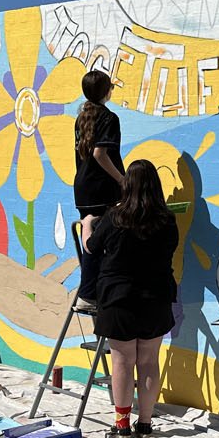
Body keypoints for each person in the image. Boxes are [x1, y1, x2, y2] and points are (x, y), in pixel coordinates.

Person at [82, 159, 179, 438]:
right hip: (156, 297)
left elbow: (91, 247)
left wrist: (87, 224)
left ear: (127, 185)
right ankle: (146, 422)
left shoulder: (115, 217)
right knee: (148, 361)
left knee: (122, 362)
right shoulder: (166, 220)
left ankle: (122, 423)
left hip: (118, 298)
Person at [74, 69, 126, 306]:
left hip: (84, 187)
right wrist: (121, 179)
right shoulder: (109, 118)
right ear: (106, 91)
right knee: (99, 239)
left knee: (93, 236)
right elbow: (99, 154)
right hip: (101, 188)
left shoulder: (83, 117)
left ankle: (92, 291)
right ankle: (88, 292)